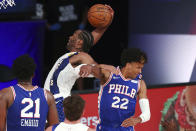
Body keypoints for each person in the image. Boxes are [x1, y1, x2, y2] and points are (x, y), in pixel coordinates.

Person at [44, 5, 114, 122]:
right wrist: (106, 23)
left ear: (79, 43)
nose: (70, 36)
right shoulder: (74, 55)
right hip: (53, 102)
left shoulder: (82, 56)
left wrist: (92, 67)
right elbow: (89, 39)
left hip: (58, 102)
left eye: (74, 35)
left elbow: (101, 73)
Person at [80, 48, 151, 131]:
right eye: (138, 67)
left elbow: (147, 114)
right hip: (104, 128)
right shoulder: (109, 75)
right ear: (128, 65)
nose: (140, 71)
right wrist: (90, 67)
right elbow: (88, 71)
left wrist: (138, 119)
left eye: (141, 68)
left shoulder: (140, 84)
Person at [0, 54, 59, 131]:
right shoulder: (48, 96)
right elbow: (54, 127)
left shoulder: (5, 94)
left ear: (15, 74)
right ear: (33, 74)